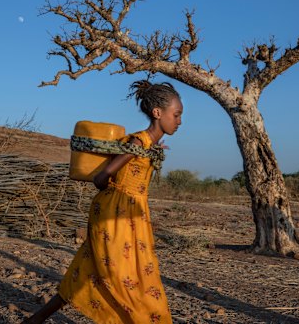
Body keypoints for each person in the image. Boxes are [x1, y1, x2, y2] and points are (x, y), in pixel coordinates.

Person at [22, 80, 183, 324]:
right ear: (158, 113)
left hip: (132, 214)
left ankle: (35, 320)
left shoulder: (150, 145)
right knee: (122, 275)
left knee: (88, 269)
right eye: (177, 115)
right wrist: (118, 193)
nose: (179, 121)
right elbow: (101, 177)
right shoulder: (138, 142)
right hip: (115, 214)